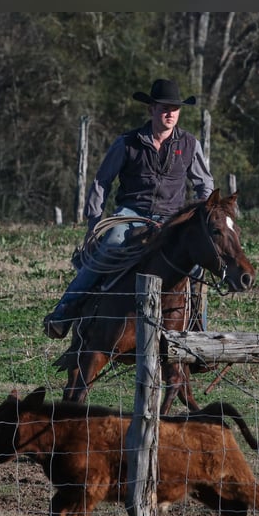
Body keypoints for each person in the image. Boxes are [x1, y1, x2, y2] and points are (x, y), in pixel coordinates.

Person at [43, 78, 214, 339]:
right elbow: (102, 180)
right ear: (151, 110)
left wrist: (203, 216)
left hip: (172, 218)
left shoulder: (189, 144)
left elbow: (205, 184)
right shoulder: (127, 142)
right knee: (109, 246)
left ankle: (198, 330)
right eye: (164, 108)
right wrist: (94, 220)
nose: (170, 114)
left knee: (196, 264)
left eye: (175, 109)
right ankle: (64, 313)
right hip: (131, 213)